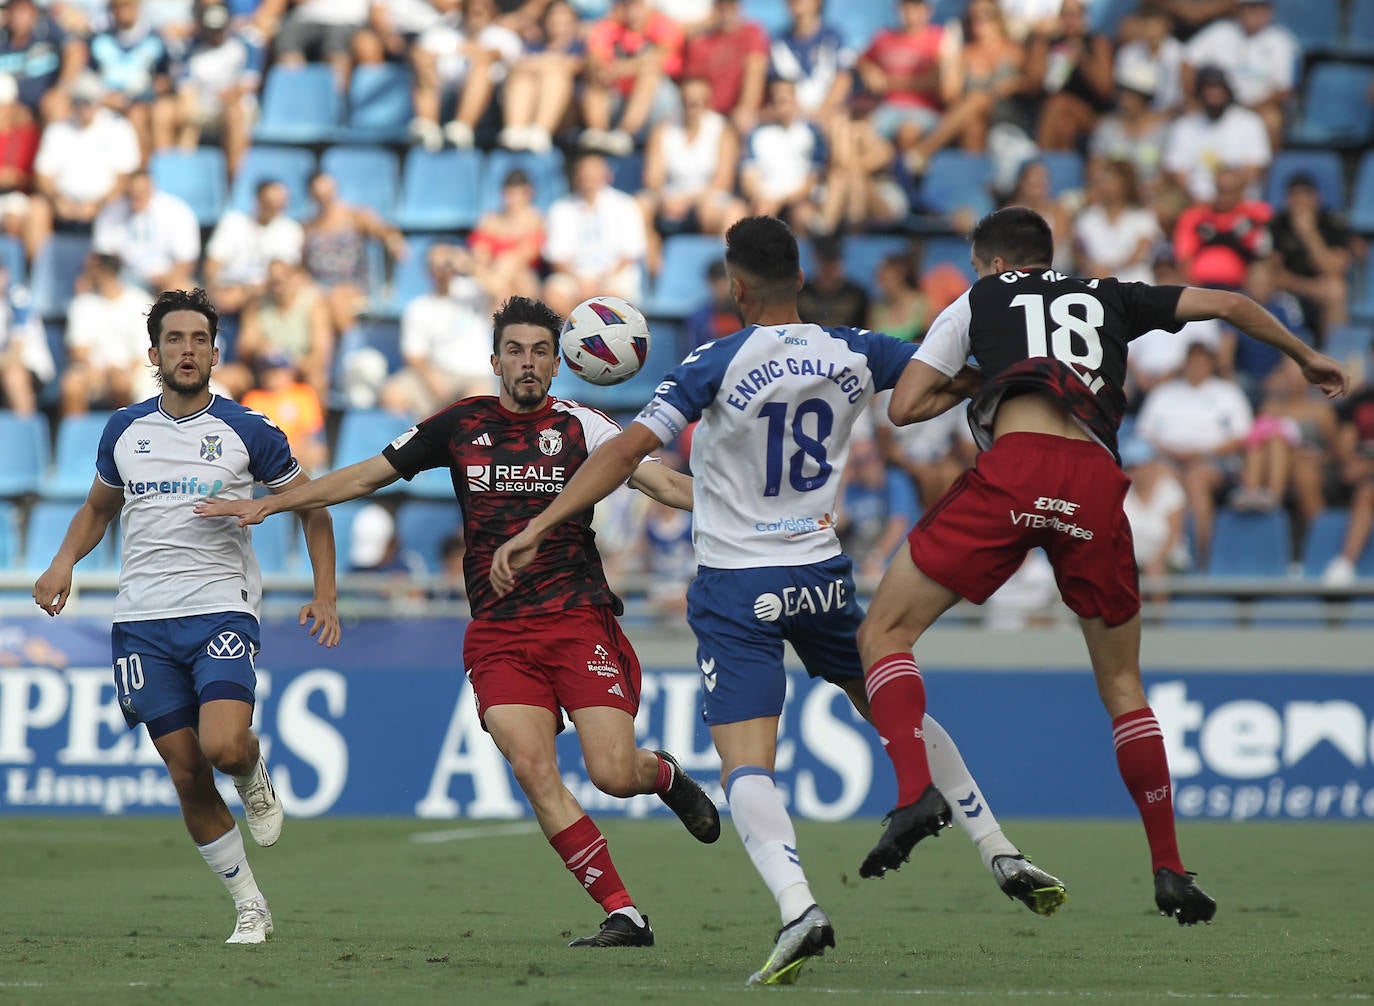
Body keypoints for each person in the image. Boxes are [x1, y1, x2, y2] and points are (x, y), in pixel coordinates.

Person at [491, 216, 1069, 987]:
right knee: (891, 707)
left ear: (735, 286)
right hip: (823, 573)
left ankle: (800, 907)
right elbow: (944, 382)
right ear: (800, 279)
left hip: (739, 586)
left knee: (746, 766)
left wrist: (542, 521)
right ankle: (999, 849)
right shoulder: (859, 349)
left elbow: (630, 452)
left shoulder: (714, 362)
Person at [849, 206, 1347, 927]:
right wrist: (1307, 357)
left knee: (884, 634)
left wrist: (981, 379)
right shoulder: (1111, 294)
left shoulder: (979, 297)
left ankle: (913, 791)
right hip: (1093, 483)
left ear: (988, 260)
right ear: (1050, 255)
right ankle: (1170, 866)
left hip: (1013, 470)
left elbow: (904, 407)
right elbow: (1232, 302)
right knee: (1122, 683)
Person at [196, 295, 722, 949]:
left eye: (539, 352)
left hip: (575, 619)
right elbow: (365, 477)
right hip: (499, 633)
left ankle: (662, 774)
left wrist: (760, 517)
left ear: (557, 364)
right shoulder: (460, 425)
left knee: (615, 773)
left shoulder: (587, 426)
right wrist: (272, 506)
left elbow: (668, 486)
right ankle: (624, 913)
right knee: (532, 769)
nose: (526, 363)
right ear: (495, 359)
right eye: (515, 350)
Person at [32, 287, 341, 946]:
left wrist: (325, 594)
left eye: (199, 339)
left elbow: (313, 504)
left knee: (224, 745)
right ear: (154, 352)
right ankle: (250, 905)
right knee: (185, 770)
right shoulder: (124, 429)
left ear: (215, 350)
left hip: (220, 610)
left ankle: (252, 770)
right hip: (141, 621)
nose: (188, 350)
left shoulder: (248, 429)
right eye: (175, 339)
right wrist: (64, 561)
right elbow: (97, 509)